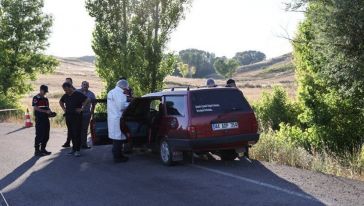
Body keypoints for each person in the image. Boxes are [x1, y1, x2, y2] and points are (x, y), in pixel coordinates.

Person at [59, 82, 90, 157]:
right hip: (68, 116)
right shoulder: (65, 95)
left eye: (66, 89)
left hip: (77, 116)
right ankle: (73, 149)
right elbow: (60, 101)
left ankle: (77, 150)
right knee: (71, 132)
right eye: (64, 90)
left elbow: (87, 99)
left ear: (70, 87)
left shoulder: (77, 94)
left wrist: (82, 108)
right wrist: (64, 109)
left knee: (77, 133)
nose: (65, 91)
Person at [107, 80, 129, 163]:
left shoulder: (111, 92)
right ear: (123, 86)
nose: (126, 89)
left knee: (115, 138)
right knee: (118, 139)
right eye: (126, 87)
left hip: (112, 118)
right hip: (118, 119)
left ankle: (118, 154)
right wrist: (129, 104)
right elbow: (121, 106)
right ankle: (118, 157)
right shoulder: (120, 93)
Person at [33, 85, 53, 156]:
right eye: (44, 91)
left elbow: (47, 107)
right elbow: (36, 108)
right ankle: (37, 150)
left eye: (46, 92)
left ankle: (43, 149)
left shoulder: (45, 99)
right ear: (41, 90)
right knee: (39, 135)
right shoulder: (36, 98)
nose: (45, 93)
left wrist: (50, 112)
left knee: (46, 135)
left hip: (45, 119)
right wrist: (45, 112)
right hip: (39, 119)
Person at [78, 81, 96, 149]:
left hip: (86, 113)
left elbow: (94, 104)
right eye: (84, 84)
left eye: (86, 85)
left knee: (84, 129)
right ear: (81, 85)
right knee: (78, 129)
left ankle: (84, 144)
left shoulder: (91, 94)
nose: (85, 86)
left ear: (88, 86)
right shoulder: (77, 92)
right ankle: (77, 144)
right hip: (78, 113)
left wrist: (91, 112)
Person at [62, 77, 77, 147]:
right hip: (68, 113)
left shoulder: (75, 91)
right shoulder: (66, 91)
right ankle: (68, 142)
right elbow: (61, 101)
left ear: (71, 83)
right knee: (70, 128)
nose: (66, 83)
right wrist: (64, 109)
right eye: (66, 82)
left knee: (74, 129)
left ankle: (75, 145)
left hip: (75, 114)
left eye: (68, 82)